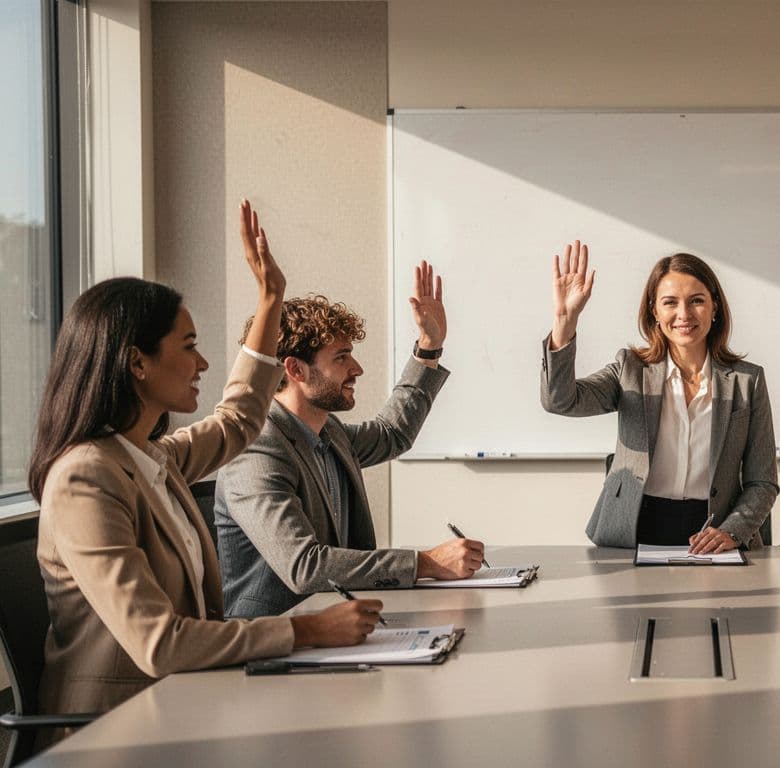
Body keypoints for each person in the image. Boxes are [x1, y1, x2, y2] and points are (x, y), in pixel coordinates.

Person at [27, 201, 380, 730]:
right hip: (113, 730)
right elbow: (159, 642)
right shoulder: (85, 477)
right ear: (136, 361)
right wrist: (307, 631)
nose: (204, 363)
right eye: (188, 346)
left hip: (185, 705)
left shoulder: (152, 458)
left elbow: (239, 418)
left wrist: (270, 302)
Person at [215, 261, 484, 618]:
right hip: (274, 638)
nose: (357, 369)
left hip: (335, 622)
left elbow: (393, 434)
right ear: (295, 369)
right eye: (341, 358)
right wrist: (425, 563)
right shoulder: (256, 447)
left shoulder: (327, 432)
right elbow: (305, 567)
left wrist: (429, 347)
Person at [540, 241, 778, 552]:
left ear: (715, 307)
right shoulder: (630, 370)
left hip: (714, 531)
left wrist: (733, 531)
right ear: (654, 310)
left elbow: (763, 482)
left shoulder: (748, 380)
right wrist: (564, 323)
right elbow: (560, 400)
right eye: (670, 302)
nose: (684, 314)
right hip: (634, 528)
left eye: (696, 301)